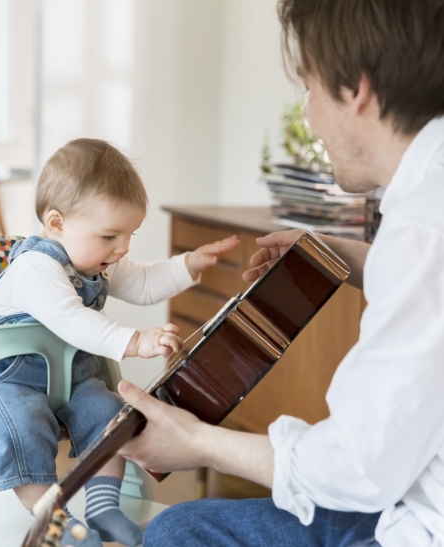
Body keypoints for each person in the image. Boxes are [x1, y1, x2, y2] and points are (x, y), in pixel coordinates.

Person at [117, 1, 444, 546]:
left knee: (177, 536)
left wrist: (198, 442)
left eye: (309, 86)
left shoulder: (424, 230)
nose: (309, 113)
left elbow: (356, 468)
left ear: (356, 89)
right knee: (181, 525)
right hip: (414, 485)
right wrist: (340, 256)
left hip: (417, 517)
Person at [0, 138, 239, 547]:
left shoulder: (95, 262)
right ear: (57, 224)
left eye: (129, 235)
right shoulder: (36, 268)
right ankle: (52, 523)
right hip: (0, 382)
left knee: (109, 414)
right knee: (21, 426)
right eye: (110, 236)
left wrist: (187, 264)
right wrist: (136, 340)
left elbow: (142, 283)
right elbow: (72, 320)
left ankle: (104, 507)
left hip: (66, 379)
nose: (122, 248)